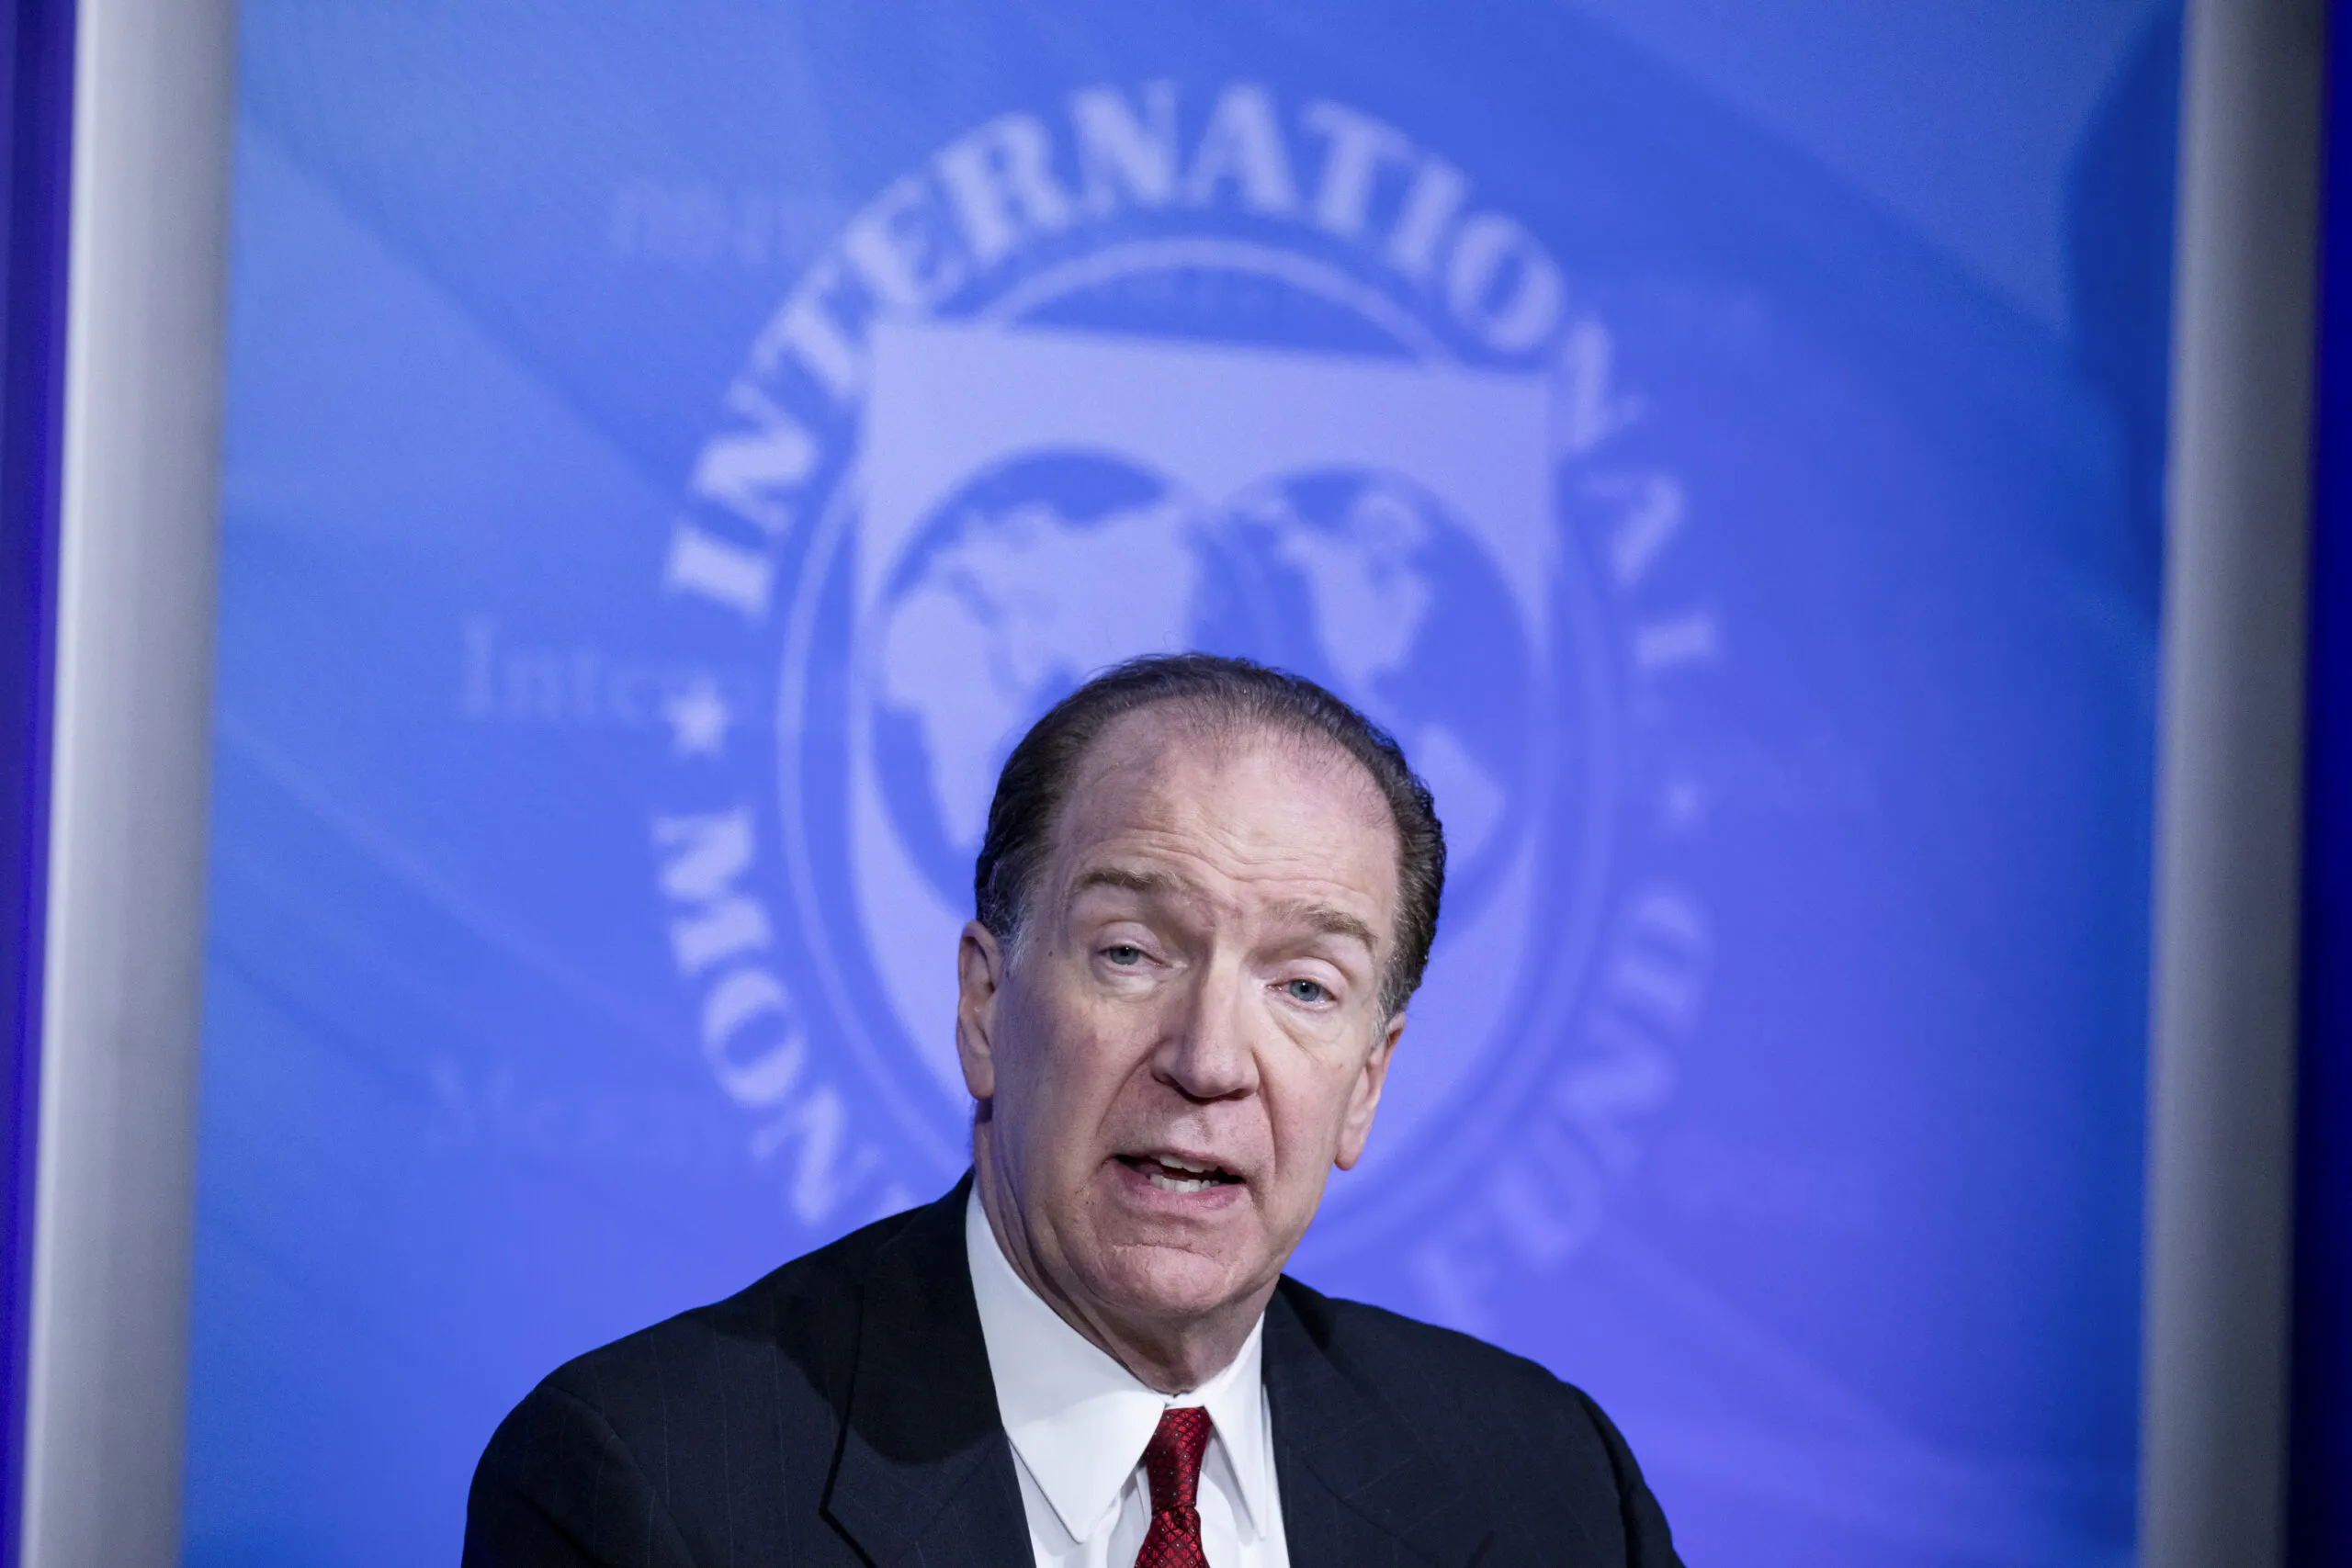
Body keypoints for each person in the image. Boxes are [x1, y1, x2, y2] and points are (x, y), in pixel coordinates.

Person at [463, 653, 1680, 1567]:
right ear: (985, 1005)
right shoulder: (648, 1487)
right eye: (1131, 953)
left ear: (1366, 1083)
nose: (1210, 1060)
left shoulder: (1554, 1488)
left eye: (1305, 986)